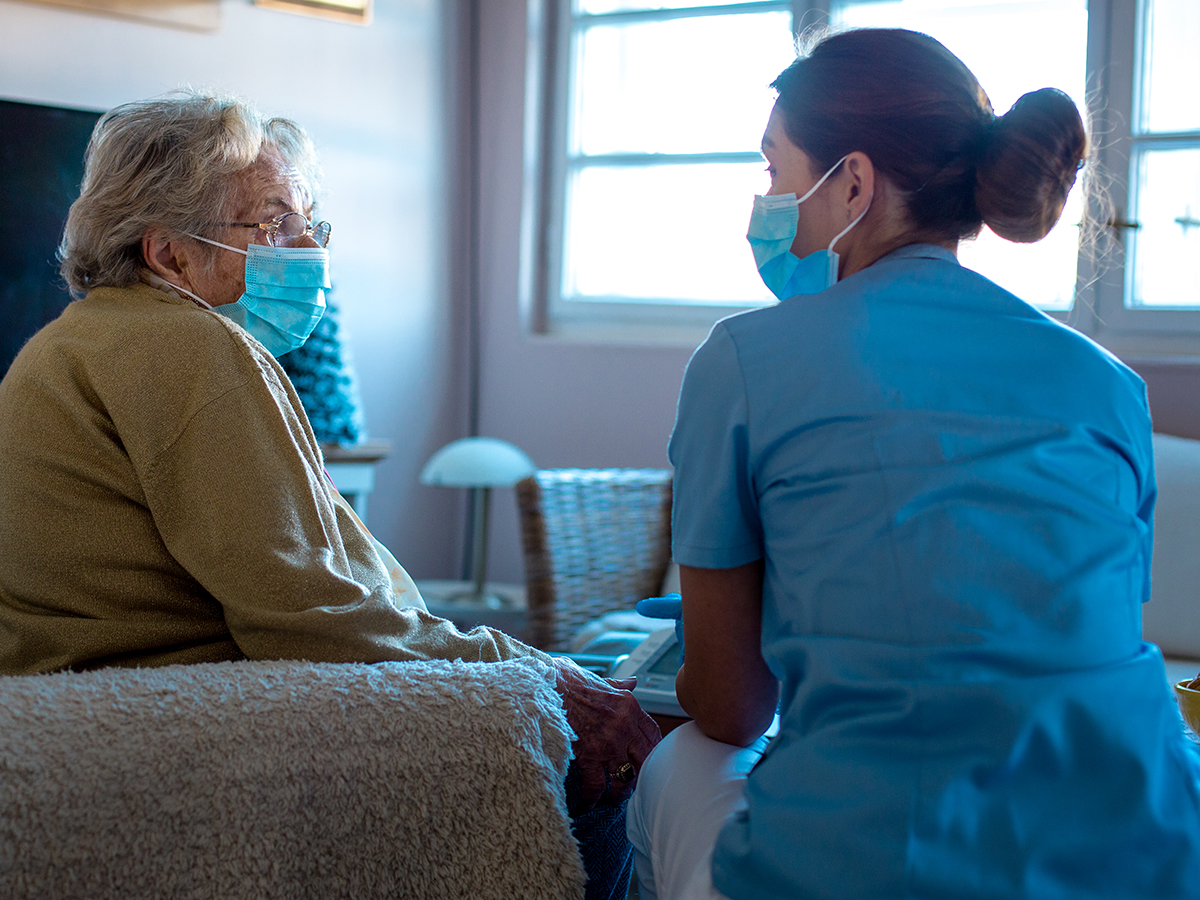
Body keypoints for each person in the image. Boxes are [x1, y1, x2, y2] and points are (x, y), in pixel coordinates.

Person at [0, 91, 658, 900]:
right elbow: (308, 610)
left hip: (92, 679)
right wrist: (530, 671)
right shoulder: (189, 344)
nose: (308, 248)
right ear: (170, 254)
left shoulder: (86, 335)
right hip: (166, 692)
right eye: (274, 224)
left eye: (310, 222)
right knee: (580, 748)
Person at [626, 27, 1200, 900]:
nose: (766, 199)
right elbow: (1062, 640)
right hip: (1153, 854)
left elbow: (733, 703)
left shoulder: (741, 361)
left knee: (682, 759)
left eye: (775, 170)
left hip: (875, 866)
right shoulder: (1111, 385)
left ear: (853, 182)